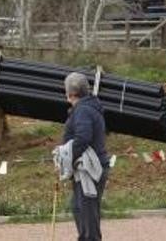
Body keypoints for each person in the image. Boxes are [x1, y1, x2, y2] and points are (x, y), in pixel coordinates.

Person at [62, 72, 110, 241]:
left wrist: (64, 159)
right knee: (79, 208)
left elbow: (83, 138)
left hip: (89, 170)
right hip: (86, 169)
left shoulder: (83, 110)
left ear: (70, 93)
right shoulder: (88, 107)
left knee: (87, 214)